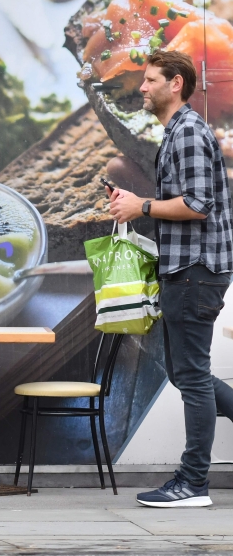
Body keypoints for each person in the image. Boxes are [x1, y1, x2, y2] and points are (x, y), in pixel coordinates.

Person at [107, 50, 233, 508]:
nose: (142, 88)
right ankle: (192, 479)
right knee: (185, 373)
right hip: (188, 268)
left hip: (195, 270)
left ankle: (193, 483)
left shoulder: (188, 134)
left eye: (150, 79)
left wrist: (141, 205)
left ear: (175, 83)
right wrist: (137, 200)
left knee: (192, 377)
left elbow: (198, 205)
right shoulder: (180, 132)